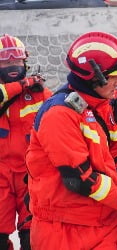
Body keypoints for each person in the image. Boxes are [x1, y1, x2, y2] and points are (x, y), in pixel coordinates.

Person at [25, 31, 117, 249]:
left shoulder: (104, 102)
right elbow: (80, 179)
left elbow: (114, 153)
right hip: (65, 230)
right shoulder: (60, 114)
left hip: (104, 222)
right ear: (94, 77)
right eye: (115, 76)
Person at [0, 34, 51, 250]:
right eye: (6, 62)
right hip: (1, 174)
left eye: (16, 61)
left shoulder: (41, 95)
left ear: (25, 63)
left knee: (33, 235)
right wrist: (23, 84)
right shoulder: (18, 88)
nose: (13, 66)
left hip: (31, 175)